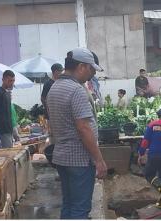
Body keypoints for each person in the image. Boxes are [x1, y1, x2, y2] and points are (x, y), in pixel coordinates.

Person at [47, 47, 107, 219]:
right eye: (91, 69)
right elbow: (83, 128)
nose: (92, 74)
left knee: (69, 204)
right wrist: (99, 160)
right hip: (79, 159)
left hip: (62, 157)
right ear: (81, 67)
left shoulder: (55, 87)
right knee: (80, 209)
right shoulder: (76, 90)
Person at [0, 70, 15, 148]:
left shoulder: (7, 93)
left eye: (13, 80)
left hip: (9, 128)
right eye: (9, 80)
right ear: (3, 80)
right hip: (2, 129)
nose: (12, 83)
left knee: (10, 150)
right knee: (8, 153)